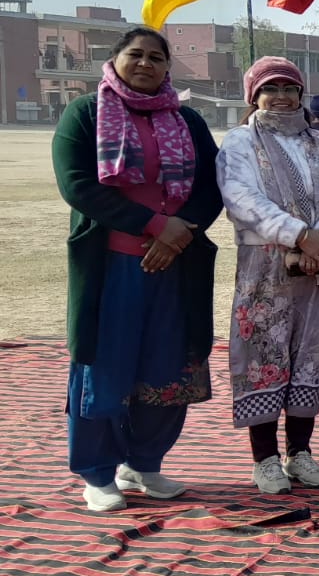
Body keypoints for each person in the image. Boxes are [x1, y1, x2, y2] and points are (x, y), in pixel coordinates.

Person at [52, 26, 222, 512]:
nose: (146, 63)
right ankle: (97, 473)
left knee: (169, 366)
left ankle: (144, 463)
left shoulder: (187, 119)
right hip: (112, 268)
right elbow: (77, 184)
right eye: (136, 54)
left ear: (168, 67)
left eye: (156, 57)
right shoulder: (86, 113)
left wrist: (178, 234)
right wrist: (154, 225)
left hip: (175, 266)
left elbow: (213, 185)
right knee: (106, 366)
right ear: (115, 59)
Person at [217, 56, 319, 493]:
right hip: (265, 264)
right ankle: (265, 460)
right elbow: (241, 197)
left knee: (309, 353)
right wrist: (299, 235)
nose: (280, 96)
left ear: (300, 94)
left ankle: (300, 452)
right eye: (270, 88)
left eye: (288, 88)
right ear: (254, 95)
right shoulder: (240, 142)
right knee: (263, 355)